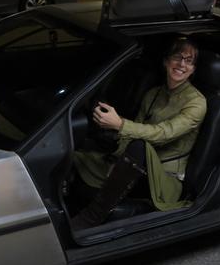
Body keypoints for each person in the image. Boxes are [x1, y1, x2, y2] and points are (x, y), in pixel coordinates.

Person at [71, 36, 207, 229]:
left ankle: (92, 216)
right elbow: (135, 131)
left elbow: (163, 134)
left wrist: (120, 124)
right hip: (136, 165)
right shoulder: (153, 94)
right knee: (77, 155)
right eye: (177, 57)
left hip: (165, 177)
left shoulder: (197, 102)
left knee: (139, 146)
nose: (181, 64)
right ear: (166, 61)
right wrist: (116, 148)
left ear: (193, 69)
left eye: (189, 60)